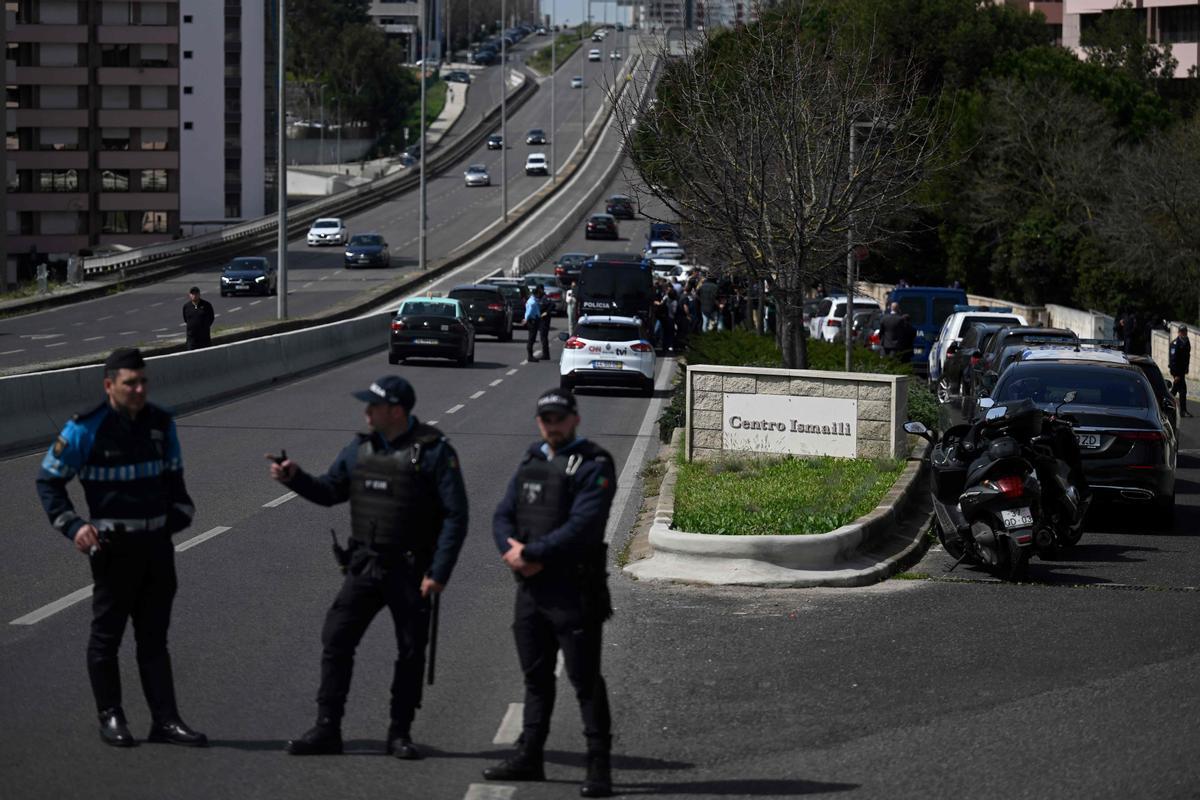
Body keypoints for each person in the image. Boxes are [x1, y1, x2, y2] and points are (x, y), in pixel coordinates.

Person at [268, 375, 469, 758]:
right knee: (336, 639)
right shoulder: (359, 449)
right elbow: (330, 491)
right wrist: (294, 479)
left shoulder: (434, 451)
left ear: (394, 411)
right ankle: (327, 728)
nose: (365, 412)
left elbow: (456, 516)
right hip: (364, 565)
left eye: (372, 406)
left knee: (410, 651)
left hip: (412, 571)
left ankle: (400, 733)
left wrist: (439, 573)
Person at [35, 347, 206, 748]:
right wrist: (74, 527)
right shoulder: (85, 428)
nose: (139, 389)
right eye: (131, 383)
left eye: (144, 381)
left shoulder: (161, 423)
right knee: (106, 638)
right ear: (109, 385)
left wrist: (179, 515)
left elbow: (176, 484)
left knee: (154, 638)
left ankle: (166, 721)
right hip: (114, 551)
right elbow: (48, 481)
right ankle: (111, 717)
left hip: (157, 549)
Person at [484, 389, 618, 798]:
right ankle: (530, 756)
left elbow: (585, 524)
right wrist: (512, 551)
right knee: (535, 678)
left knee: (584, 680)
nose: (552, 424)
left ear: (574, 419)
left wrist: (536, 553)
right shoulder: (532, 460)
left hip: (574, 591)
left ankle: (598, 767)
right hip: (531, 590)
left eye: (559, 417)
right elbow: (503, 513)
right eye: (546, 418)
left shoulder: (594, 463)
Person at [1170, 324, 1193, 418]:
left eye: (1185, 331)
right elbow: (1173, 360)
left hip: (1182, 371)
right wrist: (1175, 374)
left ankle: (1164, 404)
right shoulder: (1175, 343)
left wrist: (1186, 368)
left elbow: (1187, 357)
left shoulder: (1186, 342)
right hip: (1177, 371)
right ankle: (1183, 411)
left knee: (1175, 390)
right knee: (1182, 390)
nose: (1184, 333)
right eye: (1182, 331)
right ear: (1179, 332)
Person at [525, 288, 542, 362]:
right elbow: (529, 312)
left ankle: (531, 355)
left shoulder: (533, 300)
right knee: (531, 339)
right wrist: (526, 319)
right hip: (532, 321)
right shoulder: (532, 302)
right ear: (536, 294)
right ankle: (530, 356)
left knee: (532, 338)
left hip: (533, 320)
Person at [536, 286, 553, 361]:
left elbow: (552, 305)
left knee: (544, 337)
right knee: (542, 337)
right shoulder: (539, 298)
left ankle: (546, 355)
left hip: (545, 320)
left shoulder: (545, 298)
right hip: (541, 320)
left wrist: (546, 312)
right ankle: (545, 354)